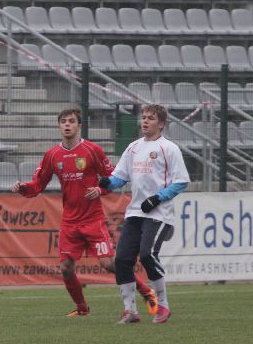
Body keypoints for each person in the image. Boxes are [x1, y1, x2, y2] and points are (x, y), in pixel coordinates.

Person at [13, 108, 159, 317]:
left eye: (71, 121)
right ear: (59, 126)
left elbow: (113, 178)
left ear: (79, 125)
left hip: (93, 220)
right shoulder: (53, 154)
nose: (67, 125)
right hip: (70, 222)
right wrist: (23, 188)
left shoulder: (92, 150)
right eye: (63, 121)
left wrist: (100, 189)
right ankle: (82, 308)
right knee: (65, 267)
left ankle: (147, 292)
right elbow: (38, 183)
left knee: (109, 264)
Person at [99, 104, 189, 324]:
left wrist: (157, 198)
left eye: (150, 118)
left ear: (161, 123)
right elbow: (120, 177)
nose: (145, 121)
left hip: (159, 214)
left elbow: (181, 181)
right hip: (135, 213)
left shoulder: (169, 148)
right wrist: (106, 182)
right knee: (121, 259)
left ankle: (163, 306)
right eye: (143, 117)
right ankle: (130, 311)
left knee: (147, 255)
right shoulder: (133, 148)